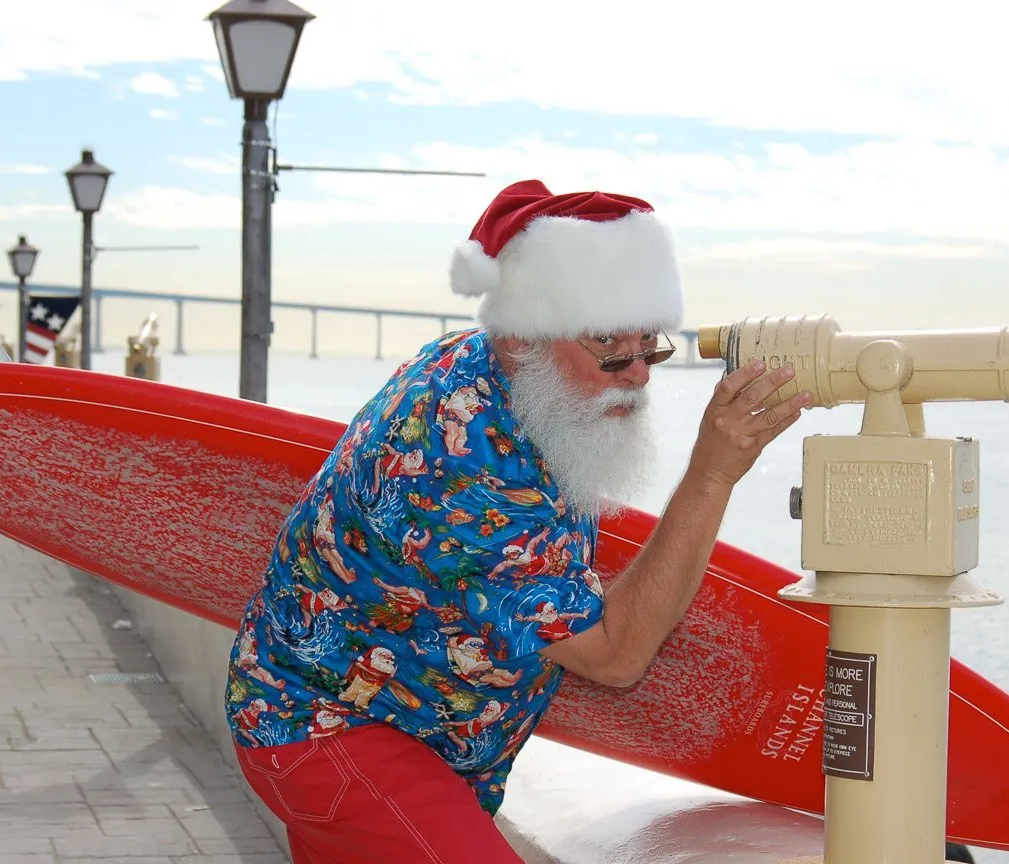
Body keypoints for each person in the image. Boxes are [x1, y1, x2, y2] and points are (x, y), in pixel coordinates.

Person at [223, 178, 813, 863]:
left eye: (647, 345)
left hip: (383, 730)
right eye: (607, 348)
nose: (637, 375)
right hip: (333, 733)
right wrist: (712, 473)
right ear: (518, 342)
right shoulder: (463, 468)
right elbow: (615, 657)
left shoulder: (480, 370)